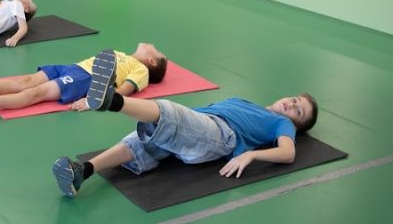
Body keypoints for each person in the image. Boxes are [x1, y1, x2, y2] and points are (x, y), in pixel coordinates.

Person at [50, 52, 319, 198]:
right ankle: (82, 171)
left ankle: (112, 100)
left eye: (299, 111)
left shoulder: (282, 124)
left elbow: (288, 152)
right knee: (139, 141)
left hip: (220, 134)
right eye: (294, 100)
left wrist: (251, 155)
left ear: (297, 124)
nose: (292, 105)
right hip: (199, 127)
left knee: (169, 113)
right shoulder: (250, 103)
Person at [0, 46, 167, 115]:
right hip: (73, 67)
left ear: (152, 61)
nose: (152, 45)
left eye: (156, 50)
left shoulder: (142, 70)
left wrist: (92, 100)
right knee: (25, 80)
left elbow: (124, 90)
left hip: (85, 78)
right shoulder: (124, 54)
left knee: (37, 93)